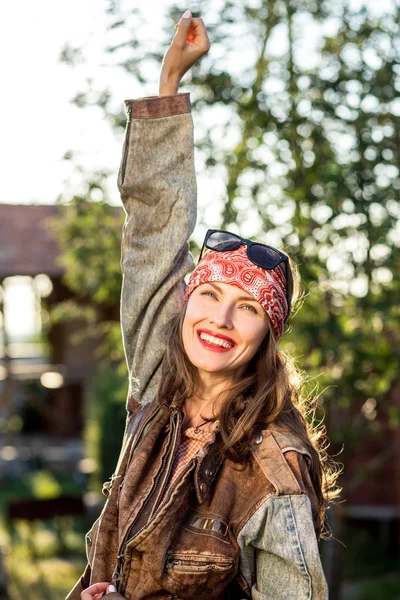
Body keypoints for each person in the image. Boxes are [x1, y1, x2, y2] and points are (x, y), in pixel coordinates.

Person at [68, 10, 340, 600]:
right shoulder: (159, 381)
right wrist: (168, 85)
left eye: (246, 308)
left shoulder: (275, 466)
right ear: (186, 301)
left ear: (268, 334)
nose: (218, 319)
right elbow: (152, 238)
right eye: (210, 294)